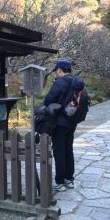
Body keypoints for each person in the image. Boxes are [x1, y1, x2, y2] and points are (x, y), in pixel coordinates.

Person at [43, 60, 84, 192]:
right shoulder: (77, 82)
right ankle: (69, 179)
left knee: (59, 151)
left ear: (60, 70)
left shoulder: (60, 82)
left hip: (60, 122)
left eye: (56, 70)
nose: (56, 72)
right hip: (72, 121)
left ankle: (60, 181)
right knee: (68, 149)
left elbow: (48, 100)